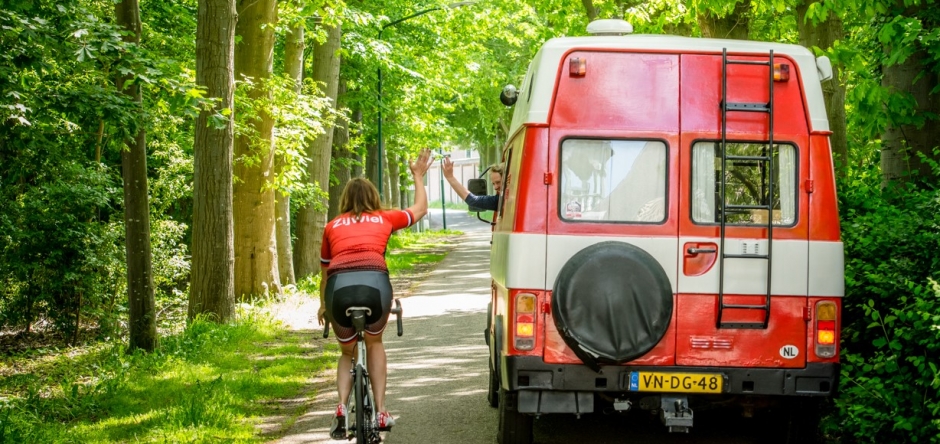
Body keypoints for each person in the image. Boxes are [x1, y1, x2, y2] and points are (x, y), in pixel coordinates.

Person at [318, 149, 433, 439]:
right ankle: (382, 409)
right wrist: (417, 176)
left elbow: (325, 272)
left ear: (344, 200)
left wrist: (324, 306)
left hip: (338, 290)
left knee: (347, 352)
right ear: (373, 198)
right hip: (375, 286)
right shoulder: (384, 219)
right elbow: (419, 209)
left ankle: (342, 407)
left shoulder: (331, 226)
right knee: (374, 343)